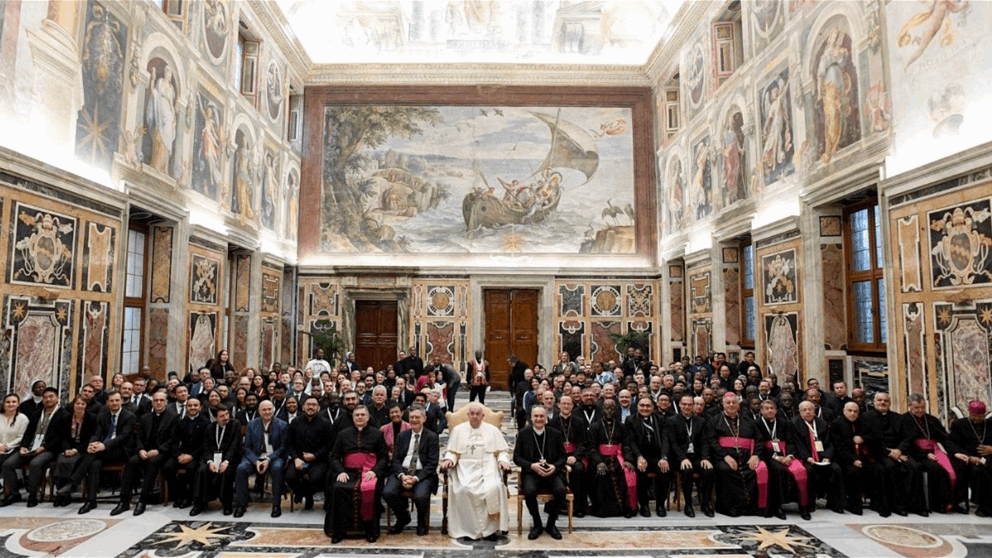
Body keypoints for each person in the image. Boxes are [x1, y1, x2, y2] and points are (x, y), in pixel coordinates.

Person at [440, 403, 512, 541]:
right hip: (465, 468)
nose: (474, 416)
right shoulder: (458, 430)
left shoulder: (492, 430)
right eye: (471, 413)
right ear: (467, 415)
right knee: (464, 490)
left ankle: (491, 530)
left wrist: (502, 460)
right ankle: (468, 529)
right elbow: (452, 451)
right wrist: (449, 459)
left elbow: (502, 451)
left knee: (494, 487)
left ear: (482, 416)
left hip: (488, 467)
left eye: (477, 414)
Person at [326, 406, 389, 543]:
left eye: (362, 415)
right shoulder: (343, 434)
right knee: (339, 488)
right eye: (357, 415)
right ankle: (340, 531)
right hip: (348, 472)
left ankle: (370, 531)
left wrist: (375, 471)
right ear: (353, 418)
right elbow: (334, 457)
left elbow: (384, 457)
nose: (359, 417)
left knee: (371, 490)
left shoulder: (377, 434)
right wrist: (340, 471)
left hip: (369, 472)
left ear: (367, 417)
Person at [111, 389, 179, 516]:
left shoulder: (173, 417)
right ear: (152, 402)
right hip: (145, 451)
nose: (158, 403)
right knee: (132, 462)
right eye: (156, 400)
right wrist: (141, 449)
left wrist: (158, 450)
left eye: (161, 400)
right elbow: (139, 437)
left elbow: (172, 440)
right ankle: (124, 501)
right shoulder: (145, 417)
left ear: (166, 402)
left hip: (163, 452)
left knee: (152, 464)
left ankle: (142, 501)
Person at [903, 393, 965, 514]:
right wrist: (924, 455)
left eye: (922, 407)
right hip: (915, 454)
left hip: (934, 451)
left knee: (959, 466)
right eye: (917, 408)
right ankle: (939, 503)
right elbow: (906, 442)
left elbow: (945, 438)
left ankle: (955, 502)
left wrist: (956, 453)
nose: (920, 410)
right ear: (910, 406)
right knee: (936, 469)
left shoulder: (931, 420)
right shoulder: (904, 420)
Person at [384, 404, 439, 536]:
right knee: (388, 492)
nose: (414, 420)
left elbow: (432, 464)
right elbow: (395, 459)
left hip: (422, 474)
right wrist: (402, 476)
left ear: (424, 419)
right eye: (411, 417)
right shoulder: (402, 436)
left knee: (421, 496)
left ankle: (421, 522)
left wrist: (415, 478)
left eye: (417, 417)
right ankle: (403, 517)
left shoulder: (431, 437)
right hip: (402, 471)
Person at [1, 388, 62, 507]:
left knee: (35, 463)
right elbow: (28, 433)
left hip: (49, 449)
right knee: (7, 464)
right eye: (45, 397)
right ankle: (14, 493)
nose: (48, 399)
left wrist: (44, 447)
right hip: (31, 447)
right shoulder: (37, 413)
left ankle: (32, 494)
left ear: (57, 398)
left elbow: (60, 437)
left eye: (51, 396)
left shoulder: (63, 414)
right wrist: (23, 446)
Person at [514, 405, 566, 540]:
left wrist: (554, 467)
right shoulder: (523, 433)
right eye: (536, 416)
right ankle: (537, 524)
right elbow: (516, 457)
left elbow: (563, 457)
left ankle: (551, 524)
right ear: (531, 418)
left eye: (541, 416)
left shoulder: (555, 434)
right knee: (529, 491)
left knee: (560, 491)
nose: (538, 419)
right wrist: (531, 466)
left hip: (551, 472)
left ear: (546, 418)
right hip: (532, 473)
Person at [234, 400, 288, 518]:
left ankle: (276, 505)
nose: (267, 412)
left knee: (278, 468)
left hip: (274, 457)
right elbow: (247, 447)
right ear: (259, 411)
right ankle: (241, 505)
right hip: (255, 457)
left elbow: (283, 448)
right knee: (241, 468)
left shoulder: (282, 425)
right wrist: (256, 461)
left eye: (269, 409)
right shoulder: (252, 424)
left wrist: (268, 459)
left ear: (273, 410)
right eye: (264, 410)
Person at [862, 392, 913, 516]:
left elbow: (907, 437)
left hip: (898, 452)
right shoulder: (865, 417)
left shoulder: (898, 418)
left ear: (890, 403)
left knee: (913, 466)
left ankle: (910, 505)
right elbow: (868, 439)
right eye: (879, 400)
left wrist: (899, 450)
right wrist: (889, 452)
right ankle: (887, 505)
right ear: (874, 402)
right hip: (877, 453)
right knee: (889, 468)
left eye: (885, 401)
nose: (882, 403)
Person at [709, 393, 760, 517]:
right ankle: (729, 508)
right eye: (728, 403)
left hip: (747, 458)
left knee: (752, 471)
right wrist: (725, 457)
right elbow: (712, 441)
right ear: (723, 405)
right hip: (723, 457)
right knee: (726, 470)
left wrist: (755, 455)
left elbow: (759, 439)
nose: (731, 405)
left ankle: (748, 507)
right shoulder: (714, 421)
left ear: (739, 405)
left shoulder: (748, 421)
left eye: (734, 403)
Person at [755, 399, 805, 520]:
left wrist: (789, 456)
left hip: (785, 454)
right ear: (761, 411)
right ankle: (778, 506)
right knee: (778, 470)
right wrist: (776, 457)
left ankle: (803, 506)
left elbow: (791, 441)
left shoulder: (784, 422)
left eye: (772, 408)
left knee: (801, 471)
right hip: (767, 456)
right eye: (766, 408)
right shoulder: (756, 423)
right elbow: (759, 443)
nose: (770, 410)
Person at [667, 394, 714, 517]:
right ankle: (688, 504)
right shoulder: (672, 421)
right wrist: (683, 458)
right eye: (684, 404)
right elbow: (673, 443)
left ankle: (705, 503)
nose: (687, 407)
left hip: (697, 457)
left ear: (693, 406)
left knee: (708, 470)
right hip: (680, 457)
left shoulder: (701, 421)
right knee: (687, 470)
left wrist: (705, 458)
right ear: (680, 405)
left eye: (689, 404)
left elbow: (704, 442)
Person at [792, 400, 843, 514]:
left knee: (836, 469)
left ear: (814, 411)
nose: (808, 412)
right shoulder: (794, 424)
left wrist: (827, 456)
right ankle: (810, 503)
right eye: (804, 410)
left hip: (822, 457)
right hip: (804, 458)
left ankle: (834, 503)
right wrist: (806, 457)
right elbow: (796, 443)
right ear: (799, 412)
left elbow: (829, 442)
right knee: (809, 471)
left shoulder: (822, 423)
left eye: (810, 409)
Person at [588, 399, 635, 517]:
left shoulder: (621, 426)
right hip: (601, 459)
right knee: (601, 474)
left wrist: (628, 460)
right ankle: (603, 509)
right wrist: (598, 462)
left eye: (612, 408)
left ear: (616, 410)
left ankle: (624, 508)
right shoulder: (595, 427)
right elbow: (591, 448)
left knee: (624, 472)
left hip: (618, 458)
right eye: (607, 408)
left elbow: (627, 445)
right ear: (602, 409)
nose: (609, 410)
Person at [625, 396, 670, 517]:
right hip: (639, 455)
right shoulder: (630, 420)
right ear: (637, 407)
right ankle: (644, 505)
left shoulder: (661, 419)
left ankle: (660, 504)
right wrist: (639, 457)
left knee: (665, 471)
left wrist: (664, 457)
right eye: (642, 405)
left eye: (648, 406)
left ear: (653, 407)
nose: (645, 408)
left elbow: (666, 440)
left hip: (657, 456)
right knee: (640, 472)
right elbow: (631, 441)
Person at [191, 405, 241, 516]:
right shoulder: (210, 427)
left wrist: (226, 461)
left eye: (227, 414)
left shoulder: (235, 424)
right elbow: (206, 447)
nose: (226, 417)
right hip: (212, 458)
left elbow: (234, 445)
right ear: (215, 418)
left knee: (225, 472)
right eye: (222, 416)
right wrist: (210, 461)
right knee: (202, 470)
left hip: (230, 458)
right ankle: (199, 503)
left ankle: (226, 504)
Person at [830, 401, 877, 515]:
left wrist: (863, 439)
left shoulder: (862, 423)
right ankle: (854, 505)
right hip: (843, 459)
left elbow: (873, 438)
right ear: (844, 411)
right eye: (850, 411)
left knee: (878, 469)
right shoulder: (837, 423)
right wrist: (852, 460)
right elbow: (838, 446)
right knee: (852, 472)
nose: (852, 414)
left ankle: (877, 503)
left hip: (862, 457)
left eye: (855, 411)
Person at [162, 396, 208, 510]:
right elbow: (174, 441)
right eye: (190, 405)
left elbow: (205, 444)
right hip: (181, 454)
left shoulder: (206, 423)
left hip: (197, 455)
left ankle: (189, 496)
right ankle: (178, 494)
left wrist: (192, 456)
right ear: (186, 407)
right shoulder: (180, 422)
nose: (192, 408)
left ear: (200, 407)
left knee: (192, 468)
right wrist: (178, 455)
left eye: (195, 405)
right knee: (167, 467)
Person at [286, 396, 331, 510]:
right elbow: (289, 444)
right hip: (298, 458)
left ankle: (307, 495)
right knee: (290, 477)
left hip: (318, 459)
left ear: (319, 408)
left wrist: (315, 456)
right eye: (308, 404)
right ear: (303, 407)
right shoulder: (295, 422)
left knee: (314, 478)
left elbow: (329, 445)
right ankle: (301, 492)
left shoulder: (325, 423)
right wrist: (296, 458)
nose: (311, 407)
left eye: (314, 405)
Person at [548, 394, 589, 516]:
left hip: (574, 456)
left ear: (572, 406)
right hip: (558, 457)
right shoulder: (552, 423)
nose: (566, 406)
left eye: (569, 404)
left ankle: (578, 507)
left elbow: (583, 443)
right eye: (563, 403)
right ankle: (558, 506)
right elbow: (550, 445)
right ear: (559, 405)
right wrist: (563, 458)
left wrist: (575, 456)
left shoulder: (579, 422)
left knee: (578, 469)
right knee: (556, 471)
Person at [949, 400, 992, 516]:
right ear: (970, 413)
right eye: (974, 416)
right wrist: (969, 457)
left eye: (980, 416)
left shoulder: (990, 424)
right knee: (977, 471)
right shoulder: (959, 425)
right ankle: (983, 505)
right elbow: (953, 444)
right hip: (967, 458)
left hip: (989, 457)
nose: (977, 419)